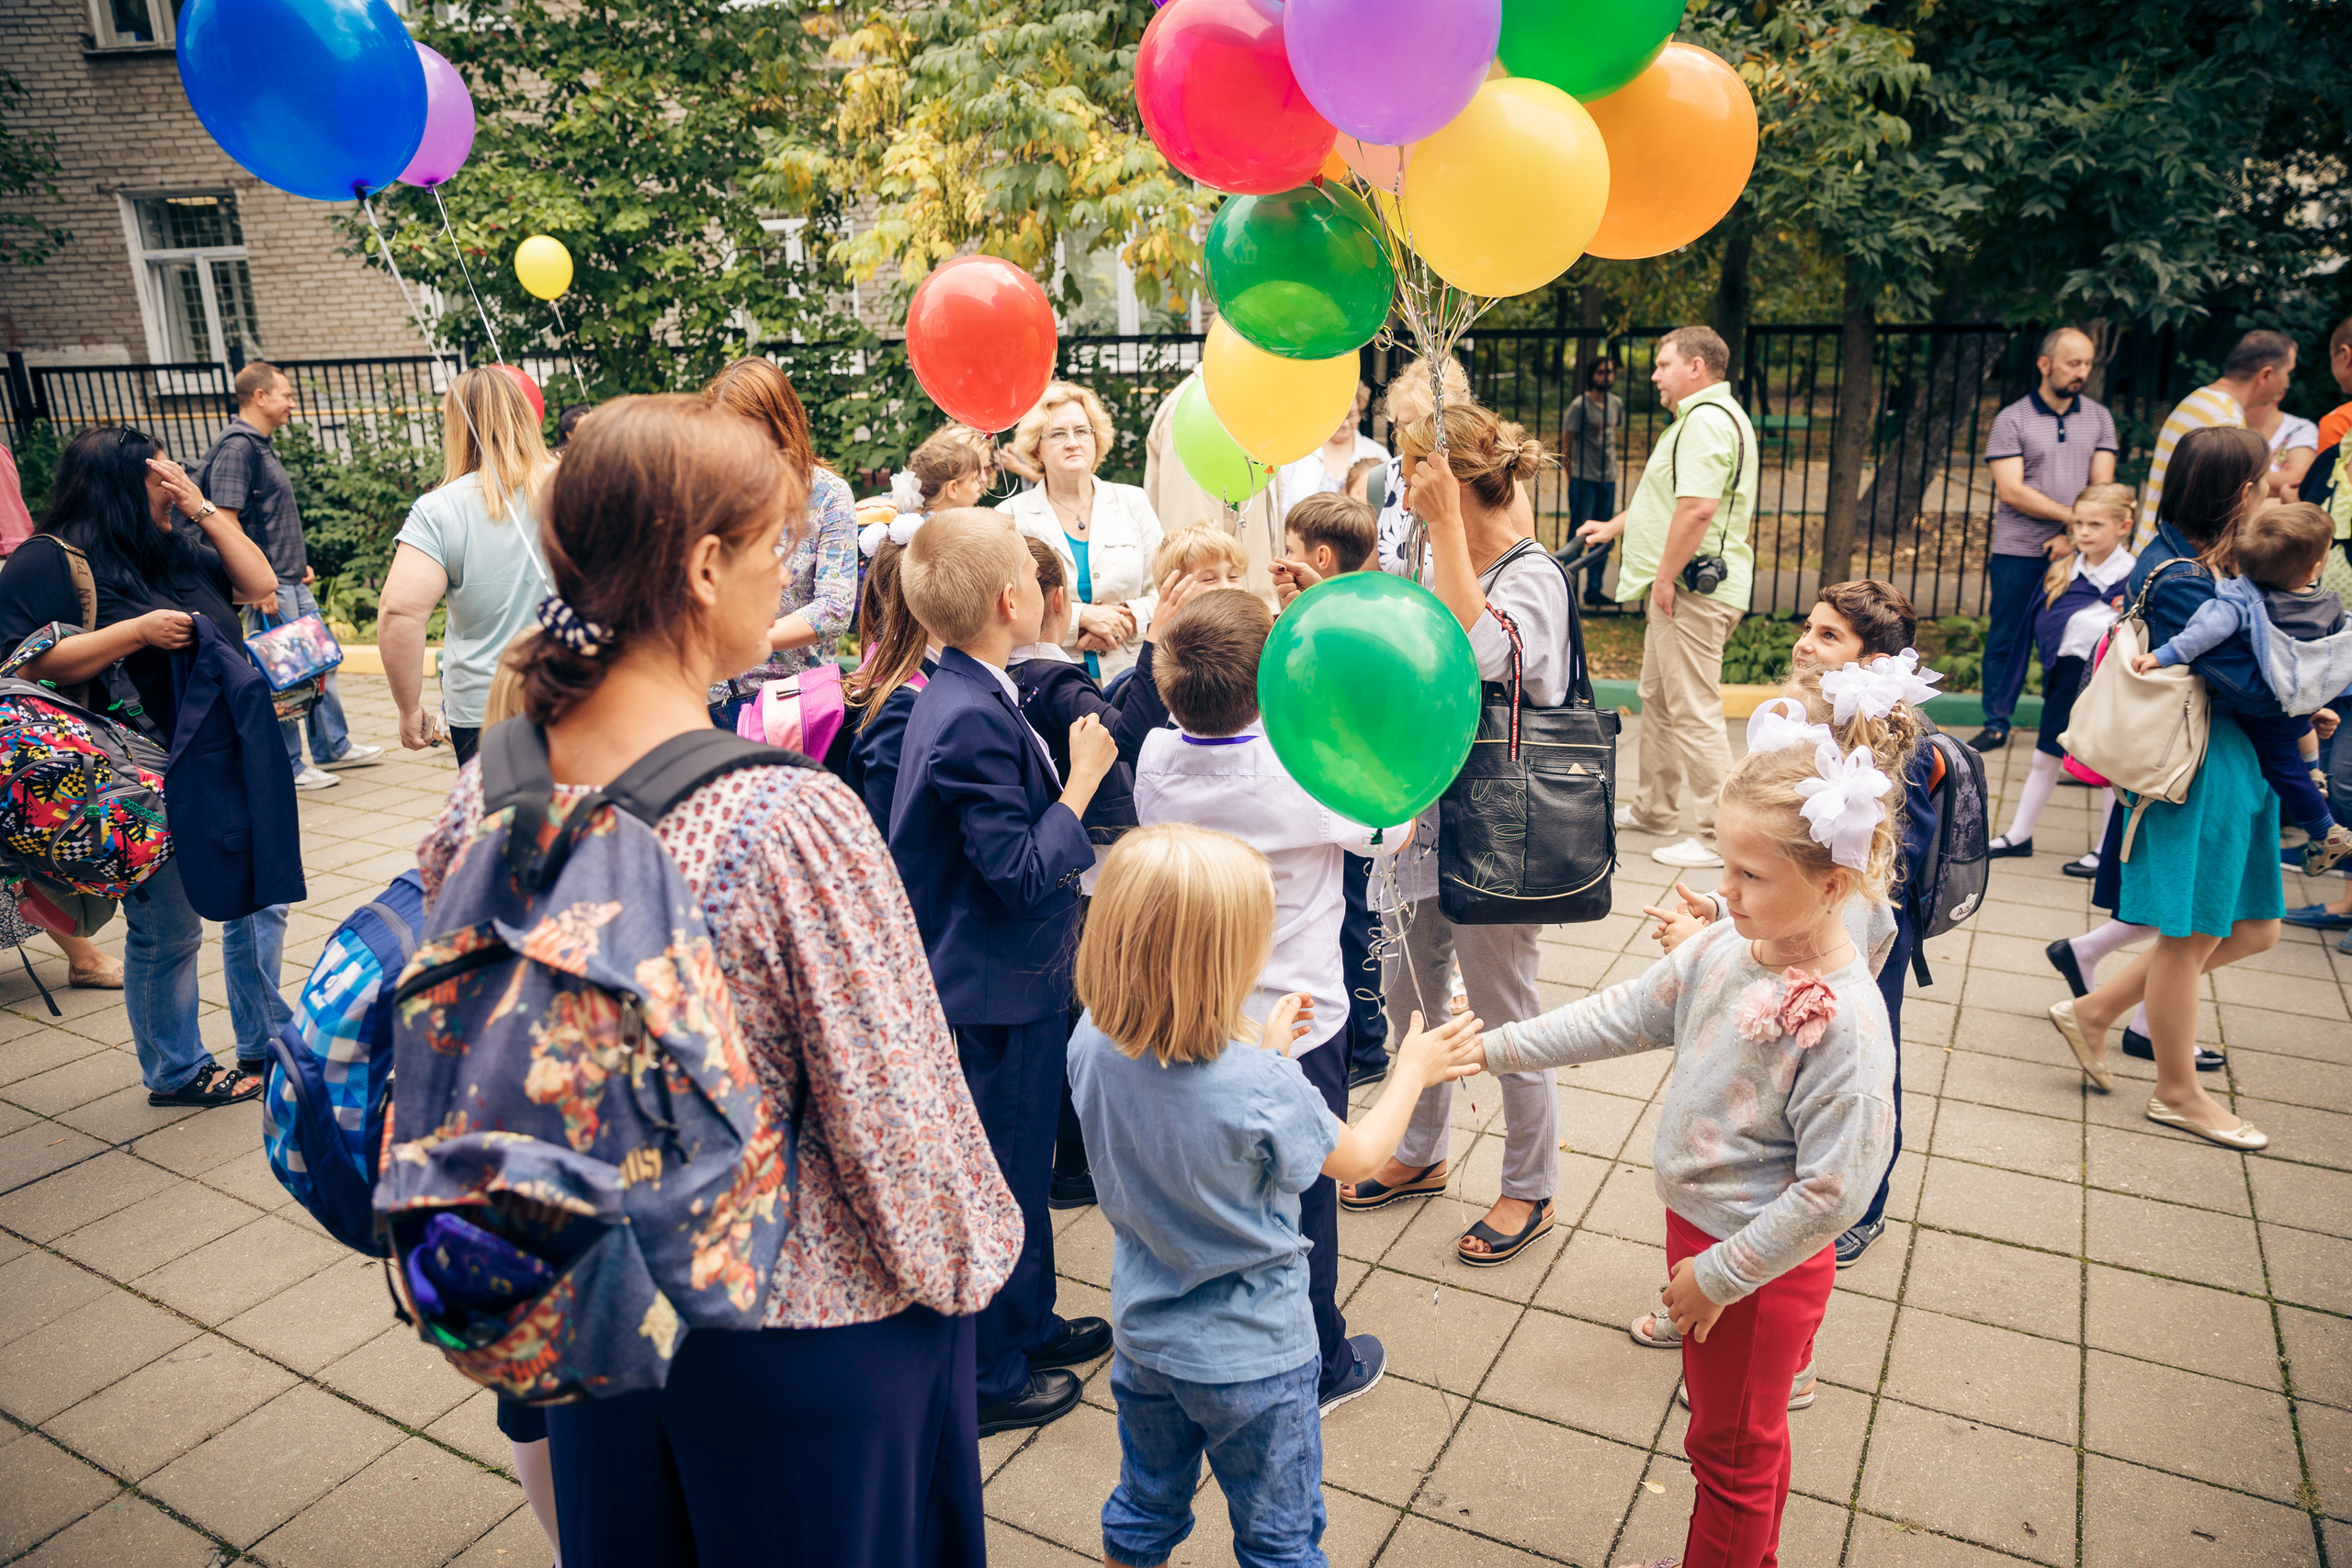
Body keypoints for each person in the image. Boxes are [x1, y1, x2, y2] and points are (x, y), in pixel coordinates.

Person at [1476, 729, 1897, 1568]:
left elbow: (1834, 1190)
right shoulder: (1727, 947)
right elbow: (1622, 1015)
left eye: (1750, 875)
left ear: (1833, 885)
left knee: (1729, 1448)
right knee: (1737, 1437)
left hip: (1757, 1265)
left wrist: (1719, 1275)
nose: (1723, 891)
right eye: (1724, 863)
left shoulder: (1844, 1027)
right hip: (1703, 1234)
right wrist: (1490, 1047)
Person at [1067, 823, 1482, 1568]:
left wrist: (1264, 1053)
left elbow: (1185, 1115)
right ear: (1220, 962)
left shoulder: (1091, 1042)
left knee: (1143, 1505)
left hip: (1147, 1341)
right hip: (1254, 1359)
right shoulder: (1264, 1088)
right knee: (1278, 1540)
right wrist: (1413, 1068)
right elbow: (1358, 1155)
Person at [1300, 403, 1569, 1269]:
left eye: (1414, 469)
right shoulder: (1420, 553)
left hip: (1498, 826)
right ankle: (1419, 1150)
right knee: (1412, 993)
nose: (1397, 483)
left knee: (1503, 1013)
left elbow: (1486, 656)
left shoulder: (1533, 575)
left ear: (1451, 480)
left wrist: (1448, 527)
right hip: (1419, 818)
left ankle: (1531, 1181)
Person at [1133, 587, 1408, 1416]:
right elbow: (1387, 827)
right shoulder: (1306, 768)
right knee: (1308, 1187)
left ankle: (1213, 1326)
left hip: (1197, 1011)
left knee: (1221, 1184)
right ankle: (1317, 1357)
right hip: (1301, 1018)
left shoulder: (1153, 757)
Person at [888, 509, 1122, 1436]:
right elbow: (1022, 870)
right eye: (1034, 574)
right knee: (1007, 1170)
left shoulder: (970, 683)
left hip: (1010, 975)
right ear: (1008, 597)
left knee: (1022, 1160)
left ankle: (1027, 1321)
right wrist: (1082, 781)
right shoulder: (965, 719)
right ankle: (988, 1373)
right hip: (994, 986)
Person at [0, 426, 283, 1106]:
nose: (175, 479)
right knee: (169, 926)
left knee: (260, 902)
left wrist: (203, 509)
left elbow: (260, 584)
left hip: (223, 750)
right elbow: (23, 662)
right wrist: (137, 631)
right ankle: (177, 1069)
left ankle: (266, 1041)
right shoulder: (49, 560)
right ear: (121, 483)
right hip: (137, 770)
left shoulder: (173, 542)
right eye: (161, 472)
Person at [2049, 425, 2284, 1150]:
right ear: (2240, 492)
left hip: (2232, 764)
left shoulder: (2194, 556)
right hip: (2201, 769)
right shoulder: (2184, 575)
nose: (2276, 490)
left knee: (2251, 927)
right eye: (2267, 480)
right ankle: (2177, 1090)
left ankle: (2094, 1011)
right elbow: (2252, 685)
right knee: (2194, 933)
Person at [1578, 324, 1758, 872]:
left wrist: (1663, 578)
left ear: (1696, 367)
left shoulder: (1703, 424)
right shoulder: (1702, 421)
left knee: (1694, 709)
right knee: (1656, 696)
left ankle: (1716, 833)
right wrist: (1614, 526)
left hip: (1690, 592)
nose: (1654, 375)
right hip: (1681, 588)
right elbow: (1669, 501)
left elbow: (1698, 509)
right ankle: (1656, 808)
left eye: (1663, 364)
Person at [2126, 501, 2352, 874]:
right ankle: (2315, 773)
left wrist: (2165, 655)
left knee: (2280, 765)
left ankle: (2324, 830)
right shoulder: (2329, 605)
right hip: (2304, 695)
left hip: (2269, 702)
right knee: (2300, 737)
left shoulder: (2242, 596)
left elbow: (2204, 632)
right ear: (2313, 568)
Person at [195, 362, 383, 788]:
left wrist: (296, 565)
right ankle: (290, 765)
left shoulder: (259, 444)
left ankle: (332, 746)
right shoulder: (237, 448)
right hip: (271, 585)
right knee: (282, 674)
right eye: (285, 395)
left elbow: (266, 517)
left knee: (315, 664)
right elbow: (224, 520)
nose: (291, 403)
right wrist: (260, 585)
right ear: (259, 397)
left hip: (287, 577)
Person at [379, 367, 555, 768]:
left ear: (455, 426)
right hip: (579, 686)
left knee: (498, 822)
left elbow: (399, 612)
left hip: (485, 705)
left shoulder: (439, 509)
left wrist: (409, 709)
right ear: (526, 413)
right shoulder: (578, 482)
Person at [1279, 493, 1394, 1092]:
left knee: (1353, 915)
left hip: (1341, 787)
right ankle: (1367, 1034)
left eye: (1292, 550)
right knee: (1354, 911)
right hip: (1345, 785)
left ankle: (1366, 1042)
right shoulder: (1366, 607)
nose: (1284, 559)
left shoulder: (1342, 620)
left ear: (1320, 555)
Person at [1970, 327, 2120, 750]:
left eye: (2088, 364)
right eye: (2074, 363)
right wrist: (2074, 522)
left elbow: (2103, 488)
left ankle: (2067, 729)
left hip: (2076, 552)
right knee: (2007, 637)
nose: (2082, 372)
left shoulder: (2099, 418)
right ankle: (1996, 723)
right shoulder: (2011, 419)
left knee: (2071, 637)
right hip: (2017, 551)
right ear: (2045, 364)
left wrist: (2073, 537)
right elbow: (2011, 490)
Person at [1983, 484, 2138, 862]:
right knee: (2044, 757)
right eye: (2078, 523)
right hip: (2067, 675)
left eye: (2095, 524)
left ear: (2123, 526)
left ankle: (2106, 849)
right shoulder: (2065, 571)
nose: (2083, 532)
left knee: (2105, 764)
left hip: (2110, 681)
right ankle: (2020, 835)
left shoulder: (2134, 576)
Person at [702, 359, 859, 728]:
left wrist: (752, 639)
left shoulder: (827, 494)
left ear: (779, 422)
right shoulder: (708, 489)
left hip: (796, 704)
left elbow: (835, 609)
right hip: (714, 697)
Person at [1001, 382, 1165, 681]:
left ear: (1095, 438)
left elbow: (1165, 590)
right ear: (1036, 448)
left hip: (1134, 676)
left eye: (1081, 431)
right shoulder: (1012, 516)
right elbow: (1006, 607)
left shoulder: (1133, 501)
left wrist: (1124, 619)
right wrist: (1082, 618)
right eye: (1058, 434)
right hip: (1051, 683)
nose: (1072, 442)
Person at [2139, 330, 2298, 545]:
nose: (2286, 383)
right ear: (2266, 375)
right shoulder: (2226, 423)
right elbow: (2226, 508)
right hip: (2183, 554)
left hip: (2158, 543)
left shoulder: (2197, 399)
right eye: (2288, 372)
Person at [1142, 369, 1282, 604]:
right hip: (1214, 612)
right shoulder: (1195, 404)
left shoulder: (1253, 395)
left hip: (1252, 602)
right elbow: (1191, 535)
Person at [1369, 356, 1474, 576]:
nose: (1410, 438)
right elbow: (1368, 581)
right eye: (1402, 426)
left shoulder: (1485, 485)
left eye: (1423, 426)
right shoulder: (1380, 480)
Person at [1561, 356, 1624, 607]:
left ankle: (1594, 590)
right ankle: (1568, 591)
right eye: (1600, 372)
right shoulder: (1580, 406)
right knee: (1578, 535)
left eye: (1609, 371)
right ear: (1591, 376)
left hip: (1608, 478)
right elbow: (1566, 442)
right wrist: (1571, 477)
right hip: (1584, 479)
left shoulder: (1616, 404)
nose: (1606, 376)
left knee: (1604, 535)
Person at [1274, 383, 1384, 522]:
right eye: (1338, 417)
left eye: (1351, 416)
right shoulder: (1298, 453)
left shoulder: (1377, 453)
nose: (1344, 423)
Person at [2251, 400, 2322, 501]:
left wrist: (2236, 477)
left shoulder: (2300, 429)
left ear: (2280, 394)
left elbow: (2296, 482)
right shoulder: (2225, 422)